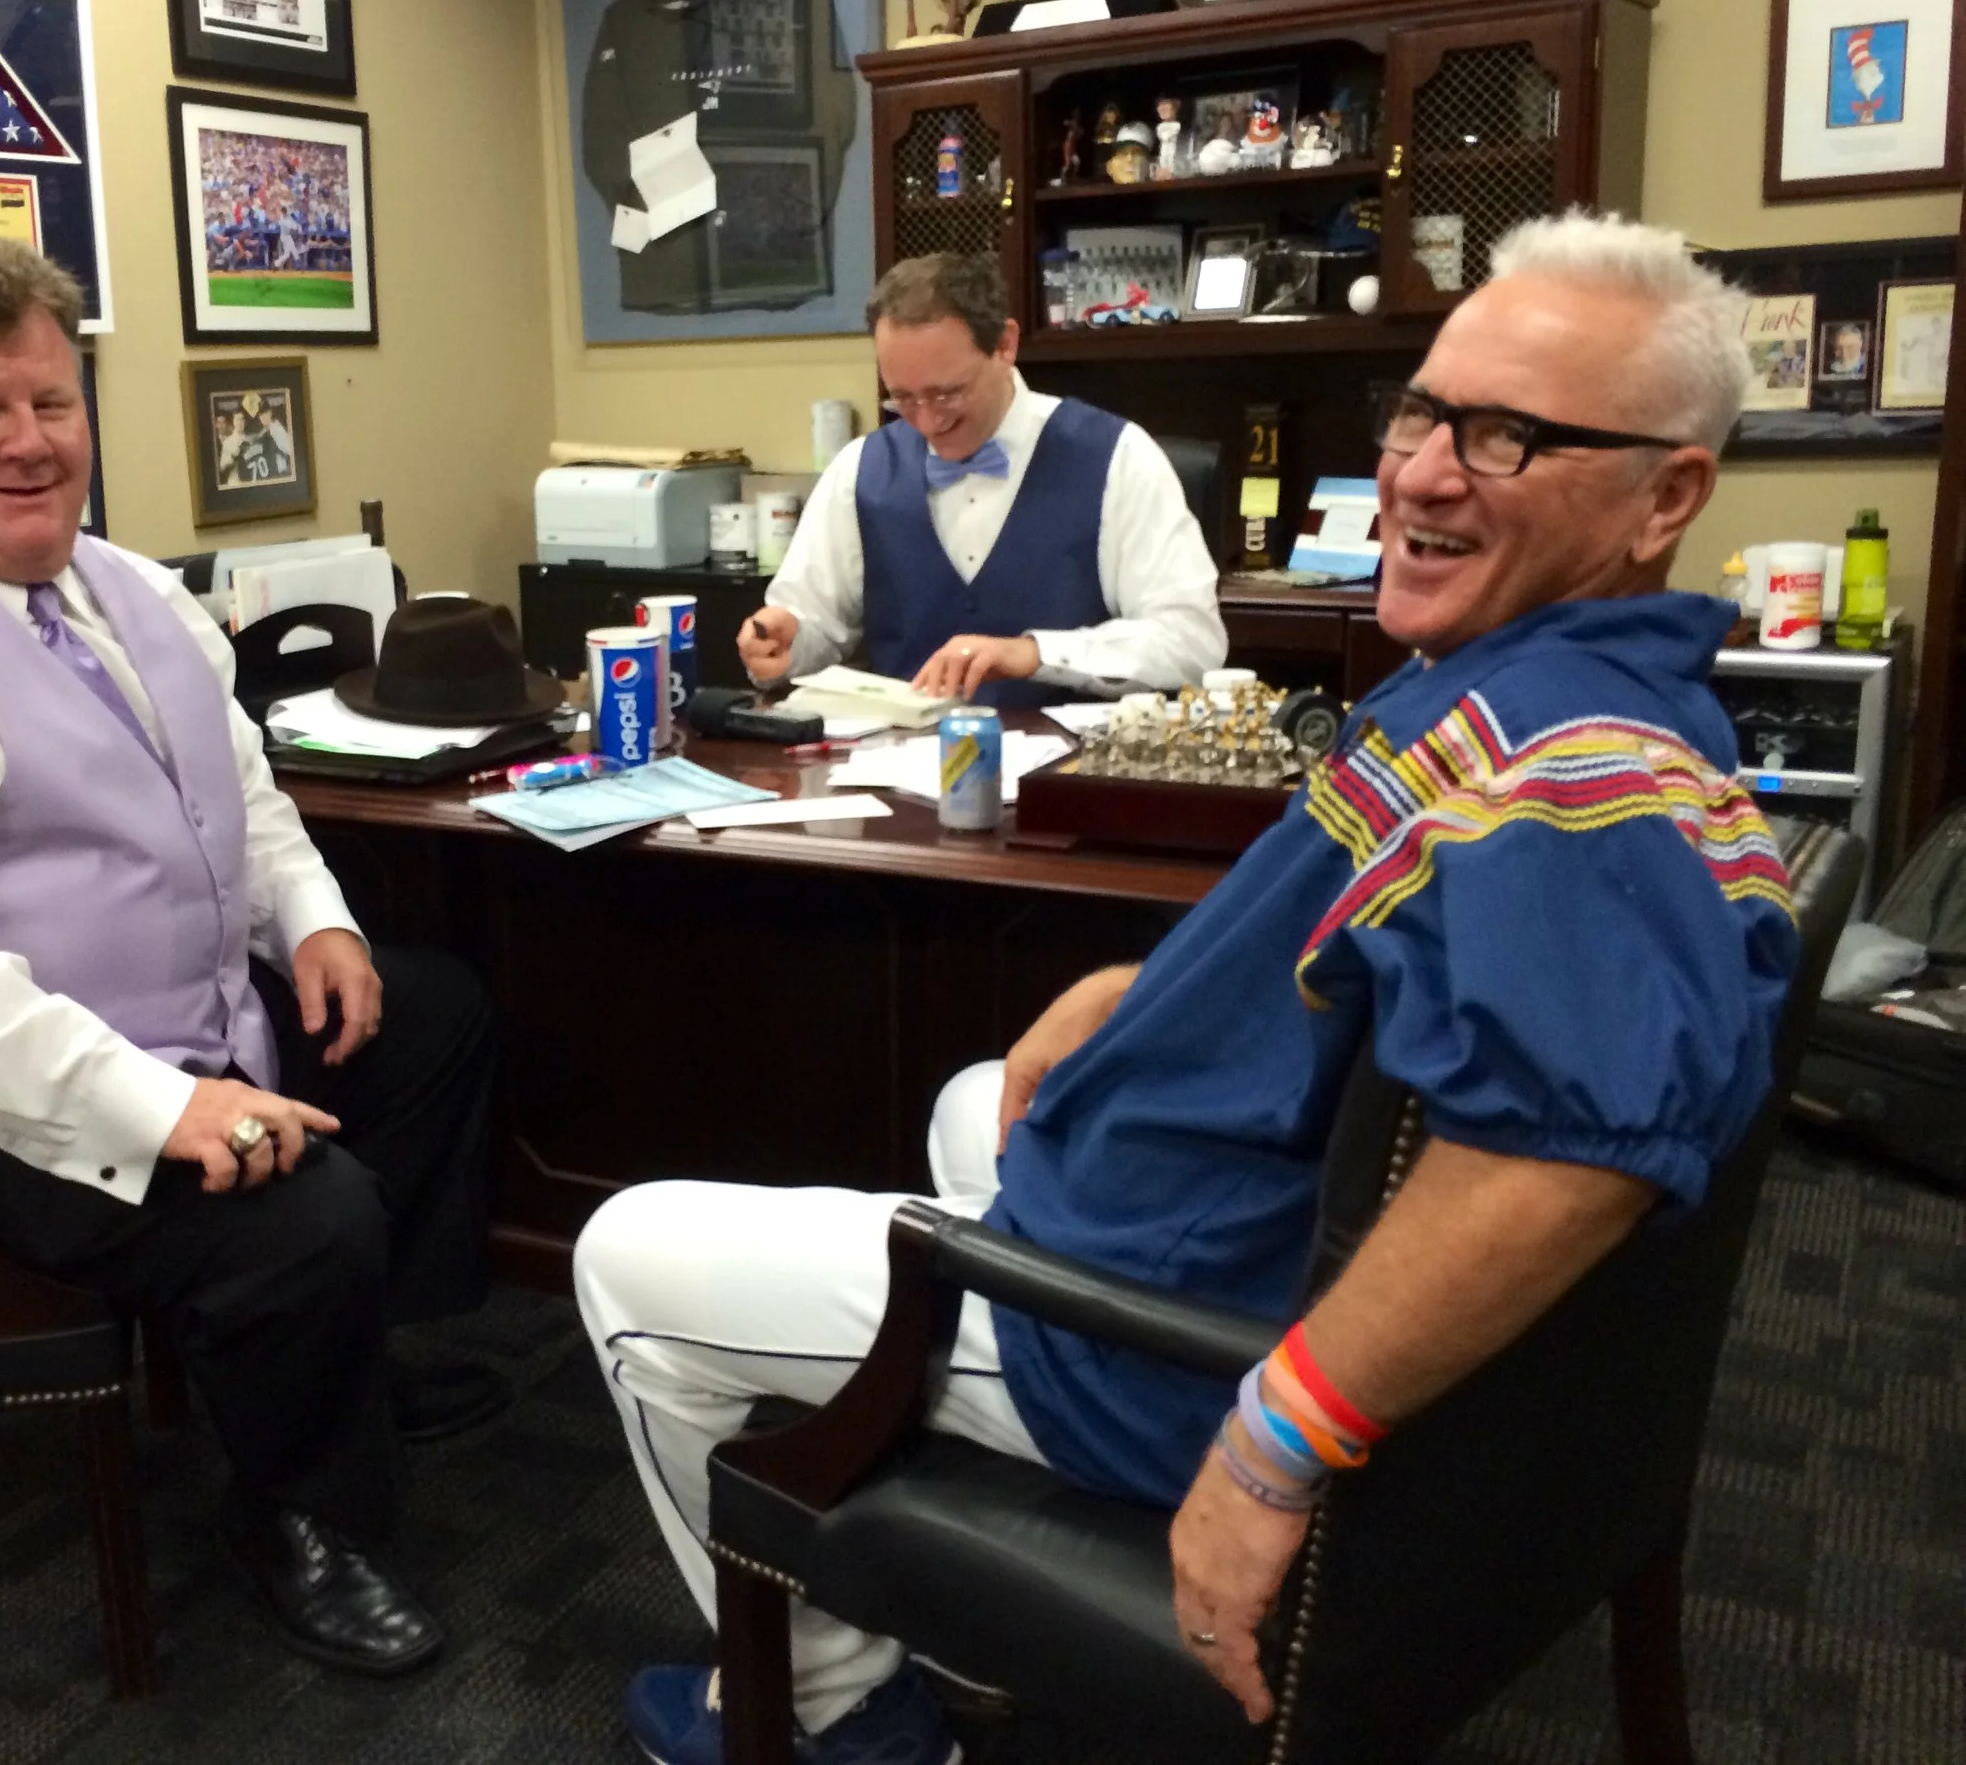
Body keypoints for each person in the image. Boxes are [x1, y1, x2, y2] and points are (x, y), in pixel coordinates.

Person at [580, 211, 1800, 1765]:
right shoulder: (1534, 673)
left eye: (1508, 437)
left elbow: (1564, 1160)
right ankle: (955, 1602)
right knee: (975, 1097)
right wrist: (1136, 982)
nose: (1422, 472)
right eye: (1424, 411)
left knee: (627, 1260)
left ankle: (837, 1711)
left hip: (1161, 1336)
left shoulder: (1575, 781)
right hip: (1206, 1208)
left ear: (1667, 493)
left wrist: (1280, 1439)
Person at [0, 231, 504, 1680]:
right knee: (296, 1213)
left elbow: (240, 787)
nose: (29, 444)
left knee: (430, 1015)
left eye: (52, 404)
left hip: (159, 1017)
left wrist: (312, 916)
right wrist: (167, 1107)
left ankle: (337, 1362)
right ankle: (296, 1508)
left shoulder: (124, 587)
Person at [738, 252, 1226, 708]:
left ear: (1006, 344)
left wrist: (1033, 653)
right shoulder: (858, 470)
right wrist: (787, 641)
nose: (928, 422)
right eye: (903, 398)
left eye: (948, 393)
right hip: (897, 774)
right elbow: (814, 629)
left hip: (1070, 781)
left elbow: (1192, 642)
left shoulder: (1119, 456)